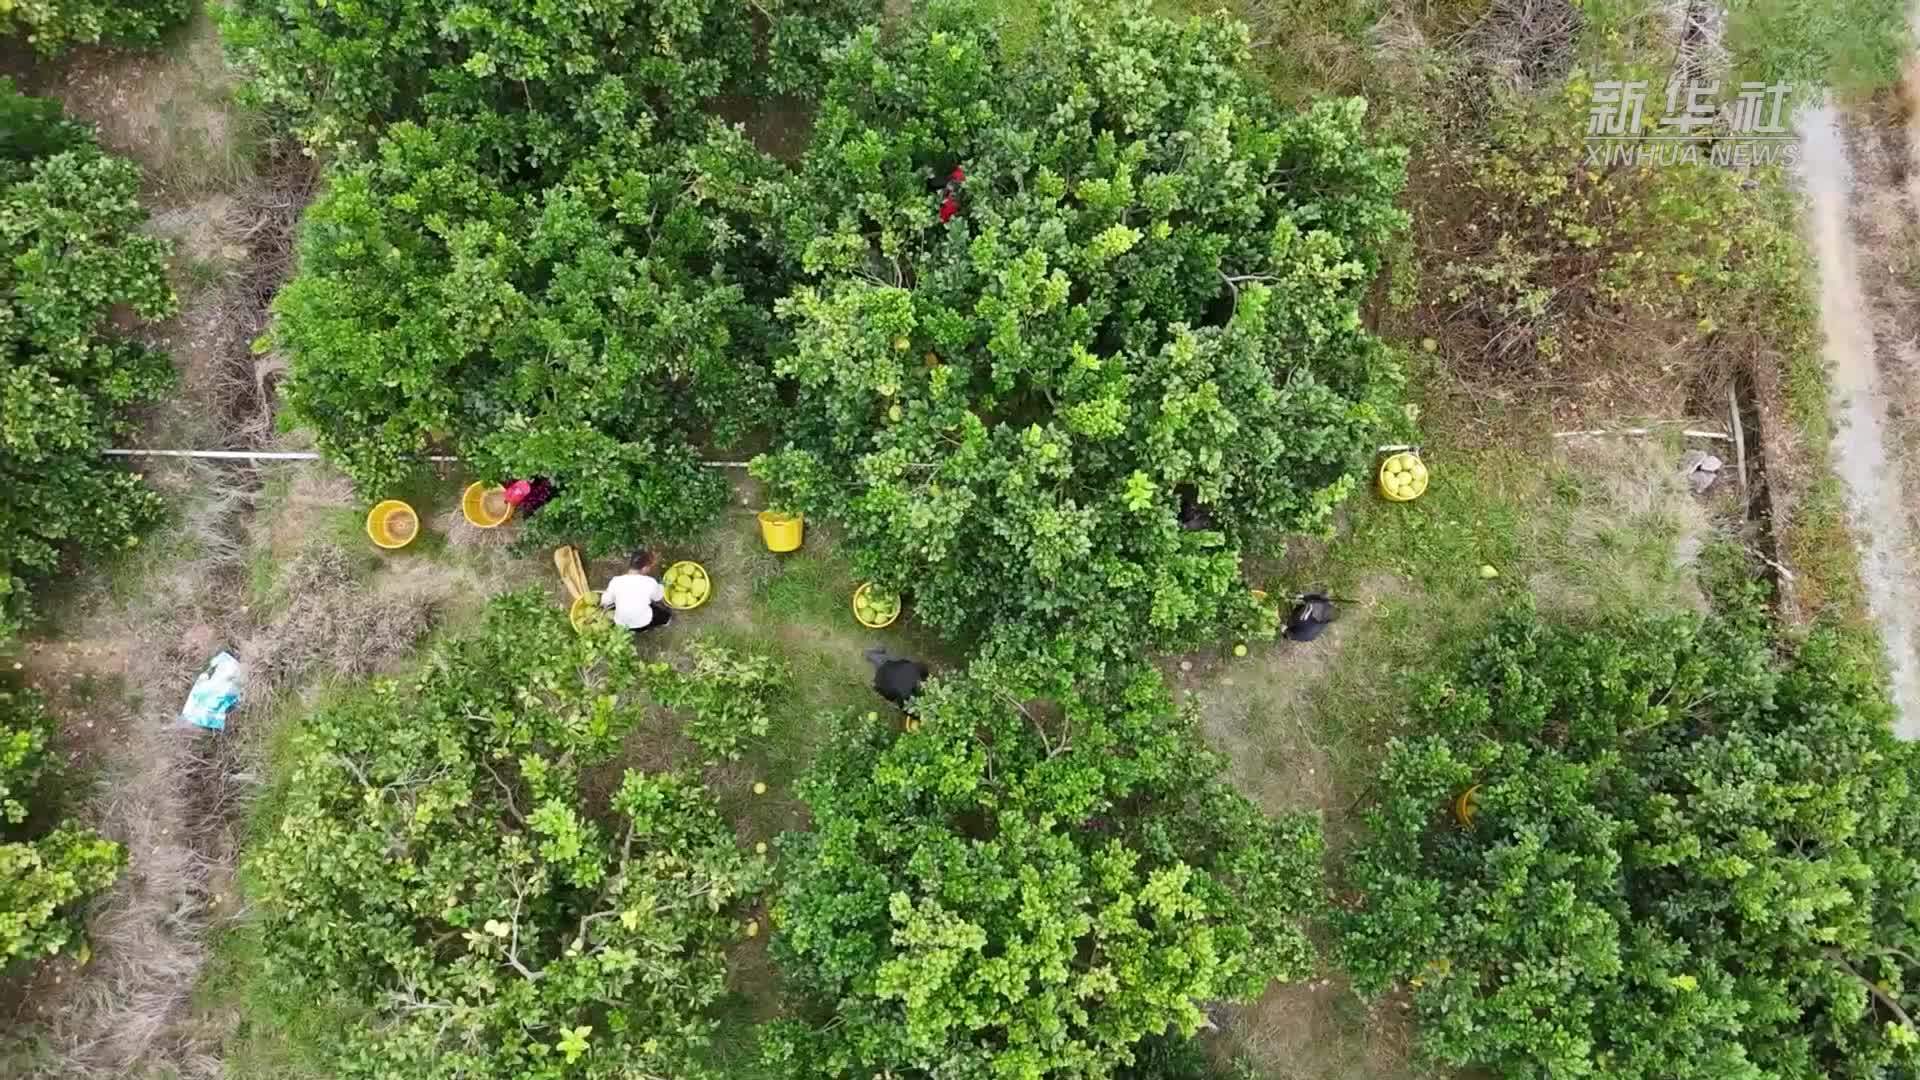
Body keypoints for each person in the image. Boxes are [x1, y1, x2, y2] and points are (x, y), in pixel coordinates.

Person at [601, 550, 672, 633]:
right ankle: (666, 622)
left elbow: (606, 601)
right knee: (664, 615)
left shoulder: (615, 581)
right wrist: (662, 586)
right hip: (643, 621)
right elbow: (657, 597)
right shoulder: (649, 582)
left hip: (623, 624)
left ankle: (640, 630)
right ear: (645, 568)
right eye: (650, 566)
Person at [864, 647, 928, 713]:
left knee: (883, 662)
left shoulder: (909, 665)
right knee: (882, 668)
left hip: (887, 667)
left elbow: (901, 661)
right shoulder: (906, 693)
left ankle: (872, 654)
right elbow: (901, 705)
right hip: (880, 683)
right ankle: (870, 654)